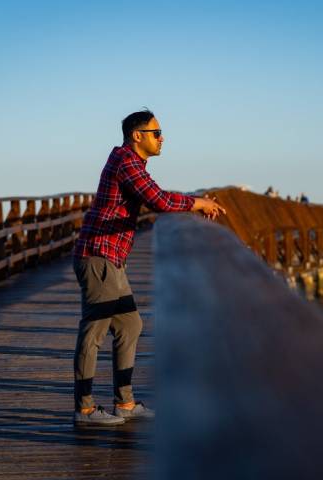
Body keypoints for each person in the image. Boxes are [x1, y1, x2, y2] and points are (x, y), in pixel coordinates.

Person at [71, 109, 226, 426]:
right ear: (137, 136)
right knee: (95, 330)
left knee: (129, 325)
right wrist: (198, 203)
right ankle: (85, 409)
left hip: (109, 256)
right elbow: (158, 200)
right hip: (99, 254)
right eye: (156, 132)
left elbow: (158, 195)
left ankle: (125, 403)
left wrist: (194, 200)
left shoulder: (131, 162)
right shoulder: (126, 161)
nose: (162, 137)